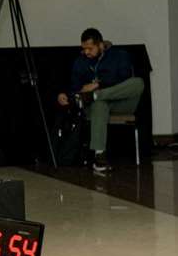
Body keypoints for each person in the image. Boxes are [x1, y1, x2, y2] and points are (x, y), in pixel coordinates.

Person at [55, 28, 144, 174]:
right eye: (84, 49)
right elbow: (75, 88)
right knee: (99, 104)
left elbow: (124, 79)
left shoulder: (120, 55)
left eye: (90, 48)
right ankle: (99, 158)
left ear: (101, 45)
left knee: (138, 82)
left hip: (121, 101)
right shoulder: (80, 62)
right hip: (95, 105)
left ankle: (96, 95)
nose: (87, 52)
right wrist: (66, 94)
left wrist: (98, 86)